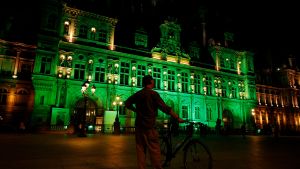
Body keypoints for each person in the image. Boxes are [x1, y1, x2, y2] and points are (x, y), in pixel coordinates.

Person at [125, 75, 184, 169]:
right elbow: (165, 108)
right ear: (151, 82)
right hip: (150, 127)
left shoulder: (138, 94)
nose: (154, 82)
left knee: (140, 150)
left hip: (139, 127)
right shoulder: (153, 94)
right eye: (153, 81)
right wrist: (177, 118)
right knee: (155, 150)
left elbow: (127, 103)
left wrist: (136, 110)